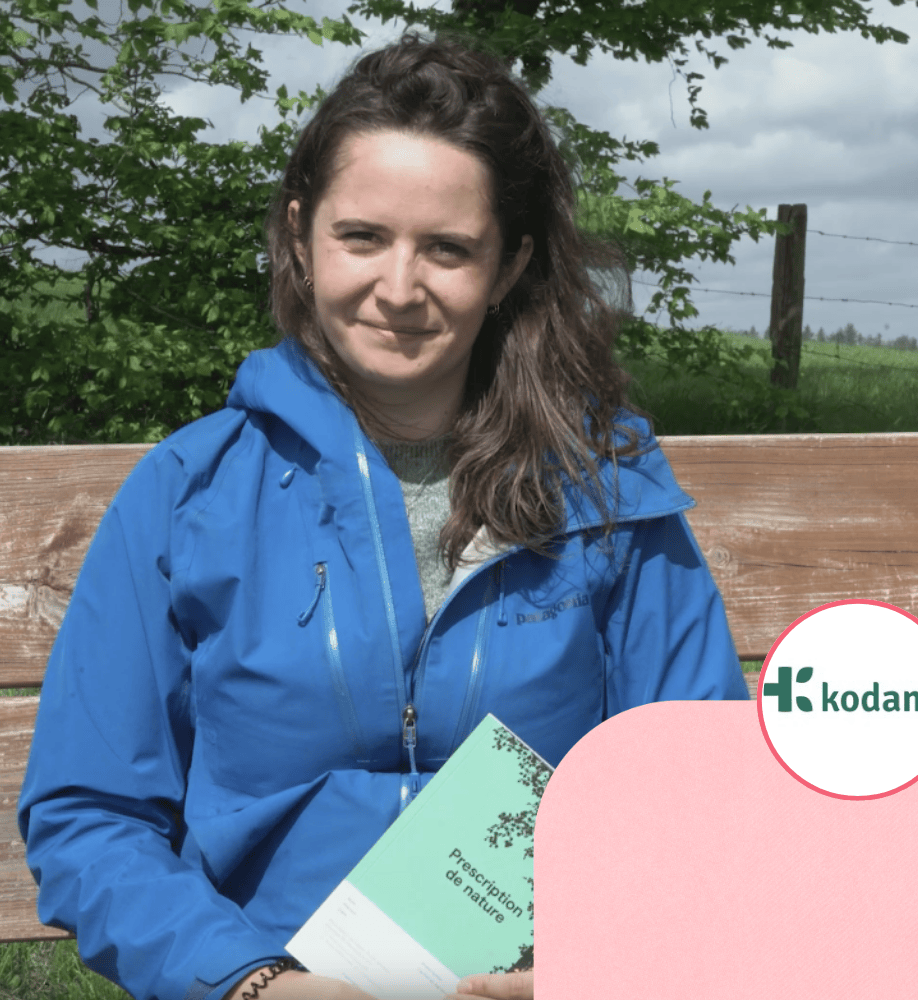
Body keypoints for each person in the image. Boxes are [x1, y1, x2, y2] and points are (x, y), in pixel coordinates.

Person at [17, 27, 749, 1000]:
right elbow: (92, 816)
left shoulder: (607, 496)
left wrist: (590, 970)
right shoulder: (188, 493)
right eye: (362, 236)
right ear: (300, 234)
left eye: (447, 249)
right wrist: (248, 982)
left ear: (509, 264)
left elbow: (701, 802)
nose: (398, 289)